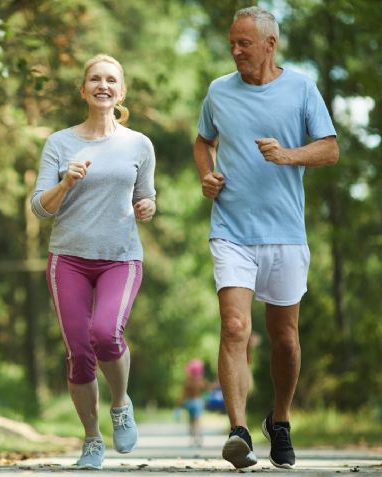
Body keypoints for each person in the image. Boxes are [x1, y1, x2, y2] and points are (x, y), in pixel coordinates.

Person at [193, 6, 339, 470]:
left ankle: (280, 420)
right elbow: (203, 141)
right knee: (235, 327)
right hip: (231, 229)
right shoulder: (218, 90)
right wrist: (207, 175)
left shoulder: (301, 88)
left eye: (244, 43)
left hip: (285, 233)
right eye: (232, 42)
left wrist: (288, 154)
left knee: (285, 340)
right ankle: (238, 432)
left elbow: (330, 149)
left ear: (270, 44)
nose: (235, 50)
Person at [31, 53, 156, 470]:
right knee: (79, 352)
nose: (103, 86)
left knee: (106, 333)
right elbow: (39, 207)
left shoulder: (138, 144)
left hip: (120, 258)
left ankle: (120, 403)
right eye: (95, 79)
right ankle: (91, 438)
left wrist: (147, 207)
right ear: (83, 89)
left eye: (111, 80)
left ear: (121, 91)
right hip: (68, 258)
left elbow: (145, 195)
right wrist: (66, 182)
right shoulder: (60, 143)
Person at [178, 359, 208, 447]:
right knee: (197, 420)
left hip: (190, 403)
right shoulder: (200, 381)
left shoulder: (188, 381)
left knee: (191, 421)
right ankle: (199, 437)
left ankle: (192, 439)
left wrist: (179, 402)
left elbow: (183, 394)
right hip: (198, 402)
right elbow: (207, 389)